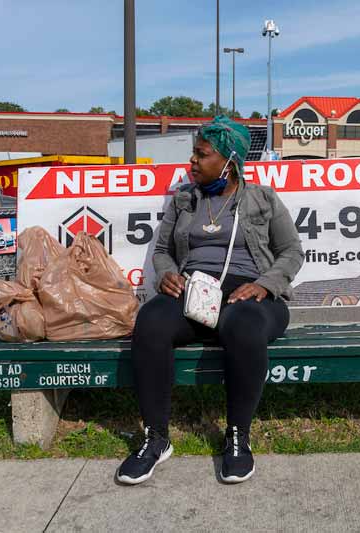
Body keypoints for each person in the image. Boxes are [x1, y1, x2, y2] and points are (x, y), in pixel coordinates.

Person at [117, 116, 304, 485]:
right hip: (195, 291)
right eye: (193, 155)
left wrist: (264, 285)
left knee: (245, 326)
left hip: (249, 294)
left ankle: (237, 438)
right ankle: (155, 438)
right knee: (151, 322)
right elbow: (162, 249)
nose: (192, 162)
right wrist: (169, 272)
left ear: (229, 160)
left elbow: (291, 251)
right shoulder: (185, 199)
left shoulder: (262, 198)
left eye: (201, 155)